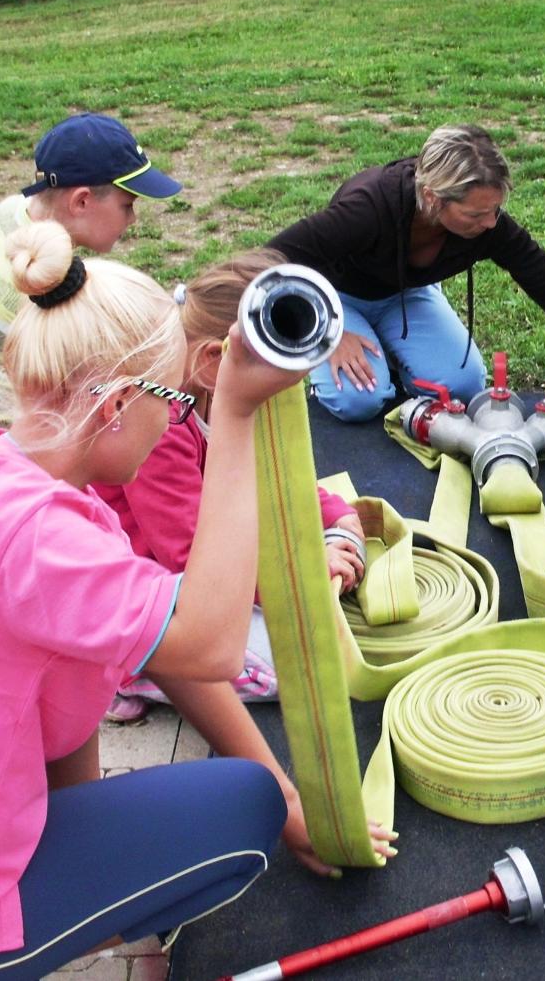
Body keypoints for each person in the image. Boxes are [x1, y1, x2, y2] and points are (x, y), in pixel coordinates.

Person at [0, 221, 391, 980]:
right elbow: (214, 644)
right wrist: (232, 413)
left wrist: (95, 837)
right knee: (246, 805)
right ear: (119, 404)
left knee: (205, 801)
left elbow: (128, 668)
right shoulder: (36, 537)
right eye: (174, 403)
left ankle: (57, 911)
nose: (177, 421)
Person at [93, 247, 368, 722]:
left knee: (311, 634)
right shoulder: (161, 425)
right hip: (147, 584)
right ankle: (125, 670)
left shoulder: (219, 387)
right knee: (303, 663)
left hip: (197, 564)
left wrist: (334, 513)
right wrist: (300, 574)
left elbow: (273, 475)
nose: (283, 396)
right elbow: (189, 558)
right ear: (213, 360)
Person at [266, 123, 545, 430]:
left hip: (406, 294)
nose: (490, 223)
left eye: (495, 210)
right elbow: (269, 263)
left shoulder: (488, 225)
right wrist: (327, 333)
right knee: (358, 400)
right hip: (335, 298)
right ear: (433, 198)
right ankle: (355, 350)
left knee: (462, 387)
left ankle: (390, 353)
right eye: (476, 215)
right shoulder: (368, 208)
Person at [0, 113, 183, 440]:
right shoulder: (40, 288)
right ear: (81, 201)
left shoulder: (15, 216)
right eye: (127, 205)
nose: (133, 218)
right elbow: (104, 369)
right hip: (7, 439)